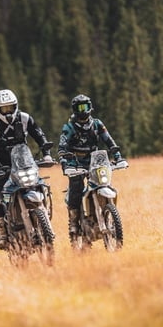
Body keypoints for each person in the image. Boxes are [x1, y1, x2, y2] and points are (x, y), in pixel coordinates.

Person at [0, 89, 53, 250]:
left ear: (16, 106)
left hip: (24, 163)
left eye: (11, 107)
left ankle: (44, 217)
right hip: (2, 166)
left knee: (40, 185)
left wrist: (47, 154)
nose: (8, 112)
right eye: (4, 109)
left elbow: (39, 136)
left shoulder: (25, 118)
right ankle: (1, 230)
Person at [58, 94, 126, 243]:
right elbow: (62, 148)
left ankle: (106, 212)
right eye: (80, 107)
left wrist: (118, 156)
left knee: (104, 183)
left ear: (90, 107)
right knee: (76, 188)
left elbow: (109, 141)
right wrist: (64, 162)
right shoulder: (69, 127)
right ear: (75, 109)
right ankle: (74, 223)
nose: (84, 110)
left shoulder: (97, 124)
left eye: (86, 107)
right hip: (75, 164)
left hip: (95, 161)